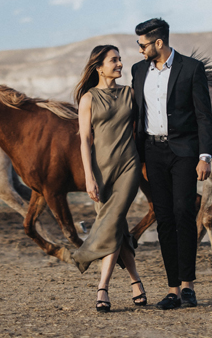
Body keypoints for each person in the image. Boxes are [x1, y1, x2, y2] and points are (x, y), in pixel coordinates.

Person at [131, 18, 212, 310]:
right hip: (153, 152)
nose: (138, 49)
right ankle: (173, 290)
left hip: (184, 152)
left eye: (142, 44)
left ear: (158, 43)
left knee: (183, 213)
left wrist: (205, 156)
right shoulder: (138, 70)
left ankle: (189, 286)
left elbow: (204, 115)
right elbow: (136, 114)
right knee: (163, 217)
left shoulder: (191, 68)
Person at [72, 45, 146, 313]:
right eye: (114, 60)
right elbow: (85, 142)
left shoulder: (131, 94)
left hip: (128, 166)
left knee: (112, 221)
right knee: (117, 227)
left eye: (120, 59)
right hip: (101, 171)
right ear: (99, 67)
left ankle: (101, 285)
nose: (119, 64)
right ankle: (135, 281)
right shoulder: (88, 99)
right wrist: (89, 176)